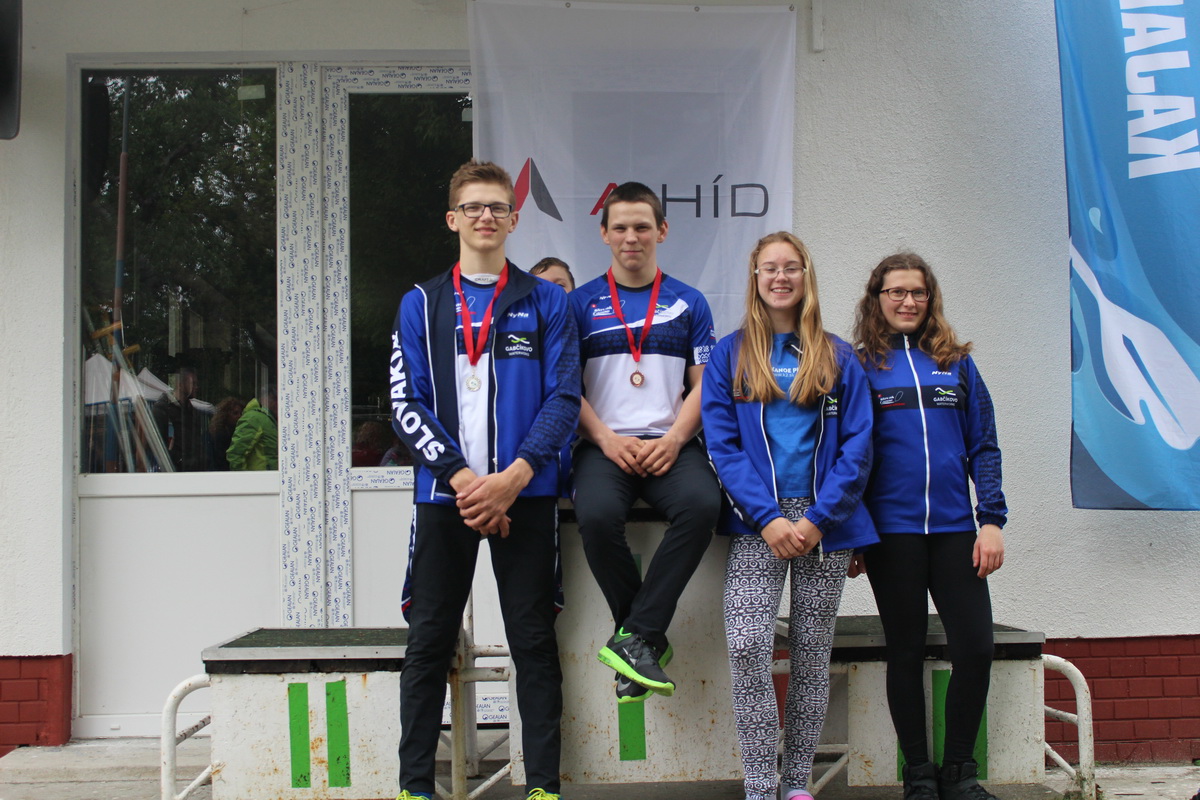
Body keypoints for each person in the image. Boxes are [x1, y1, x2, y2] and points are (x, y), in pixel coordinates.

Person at [390, 159, 580, 800]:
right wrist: (467, 480)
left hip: (526, 495)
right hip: (446, 497)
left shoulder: (547, 301)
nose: (485, 217)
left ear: (514, 219)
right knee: (429, 642)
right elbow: (406, 402)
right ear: (453, 219)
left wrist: (514, 477)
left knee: (533, 642)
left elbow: (564, 398)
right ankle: (415, 787)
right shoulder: (420, 303)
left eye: (497, 207)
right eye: (472, 207)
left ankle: (543, 787)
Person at [701, 232, 878, 800]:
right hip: (761, 523)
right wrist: (769, 519)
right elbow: (722, 446)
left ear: (806, 276)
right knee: (747, 642)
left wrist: (819, 519)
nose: (781, 277)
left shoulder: (838, 356)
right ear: (755, 278)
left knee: (811, 652)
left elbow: (858, 447)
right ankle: (761, 780)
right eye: (770, 268)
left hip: (826, 523)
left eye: (792, 267)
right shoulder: (730, 354)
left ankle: (797, 779)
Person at [852, 253, 1007, 800]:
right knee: (906, 651)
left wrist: (991, 520)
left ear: (930, 298)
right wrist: (854, 531)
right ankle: (918, 775)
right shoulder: (860, 366)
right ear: (877, 299)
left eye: (917, 292)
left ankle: (959, 772)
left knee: (976, 647)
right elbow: (850, 454)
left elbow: (984, 446)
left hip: (955, 531)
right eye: (896, 292)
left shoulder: (957, 363)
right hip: (890, 535)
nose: (908, 301)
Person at [569, 181, 720, 703]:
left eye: (641, 226)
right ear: (604, 234)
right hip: (602, 445)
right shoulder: (579, 304)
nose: (631, 237)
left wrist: (676, 438)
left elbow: (704, 386)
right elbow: (565, 389)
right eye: (620, 227)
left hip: (670, 444)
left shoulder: (689, 302)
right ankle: (643, 638)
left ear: (662, 230)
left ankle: (635, 637)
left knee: (702, 505)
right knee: (595, 516)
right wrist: (605, 439)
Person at [151, 366, 207, 471]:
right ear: (180, 385)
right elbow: (159, 446)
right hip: (174, 471)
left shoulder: (192, 410)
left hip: (193, 470)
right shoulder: (163, 409)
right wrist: (179, 460)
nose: (196, 387)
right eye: (193, 383)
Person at [226, 387, 278, 470]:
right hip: (259, 477)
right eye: (275, 399)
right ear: (264, 399)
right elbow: (236, 453)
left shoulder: (270, 419)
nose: (277, 403)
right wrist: (244, 477)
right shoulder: (254, 418)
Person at [206, 396, 246, 470]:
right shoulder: (220, 434)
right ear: (225, 415)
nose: (239, 416)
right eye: (235, 413)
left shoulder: (240, 432)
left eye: (241, 413)